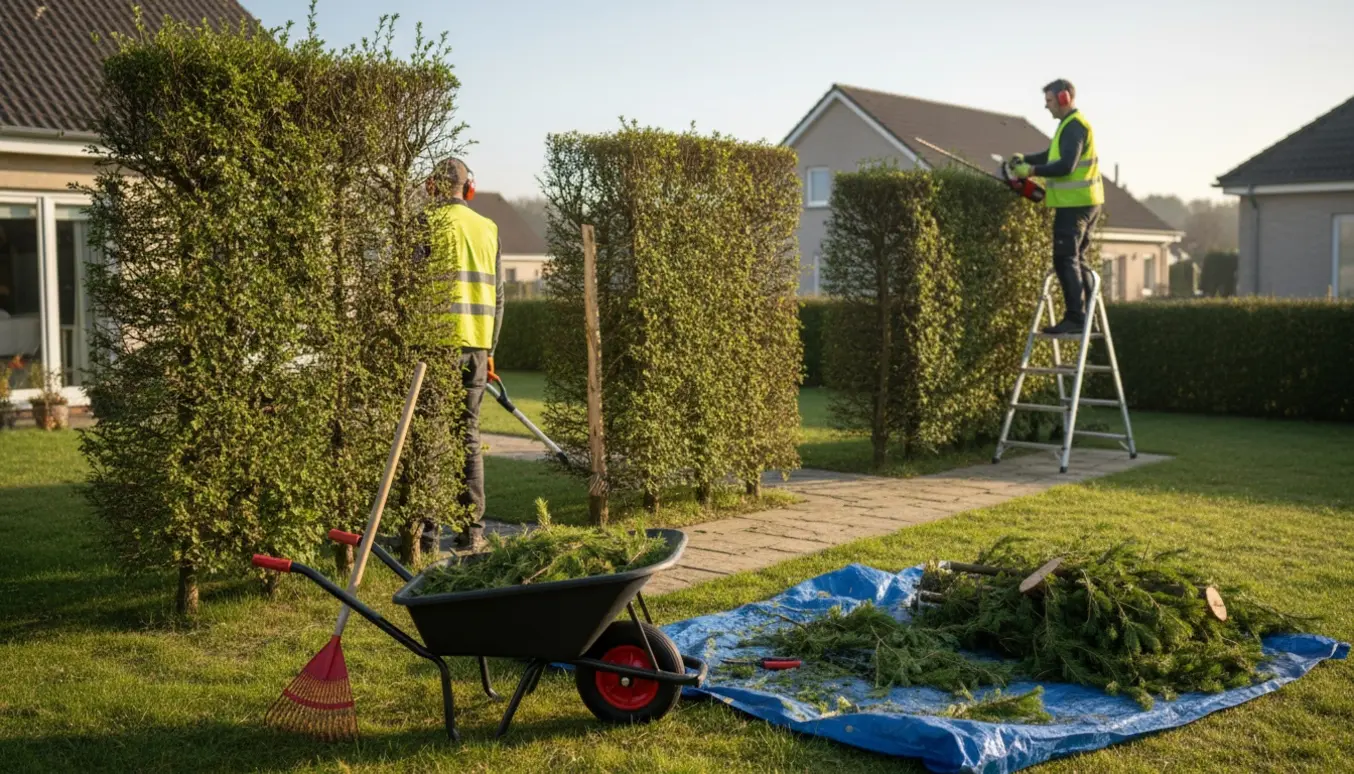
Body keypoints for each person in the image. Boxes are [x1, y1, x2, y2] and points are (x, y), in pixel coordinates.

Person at [416, 157, 504, 554]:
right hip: (476, 350)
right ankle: (472, 532)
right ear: (470, 188)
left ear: (433, 188)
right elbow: (499, 299)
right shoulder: (489, 229)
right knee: (468, 438)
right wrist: (489, 351)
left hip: (435, 348)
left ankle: (428, 537)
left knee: (431, 439)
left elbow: (409, 288)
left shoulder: (425, 224)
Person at [1009, 78, 1105, 335]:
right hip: (1086, 203)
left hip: (1075, 206)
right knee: (1078, 259)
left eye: (1049, 101)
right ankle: (1087, 319)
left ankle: (1075, 317)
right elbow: (1053, 155)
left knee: (1064, 259)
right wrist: (1026, 158)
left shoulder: (1073, 127)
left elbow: (1066, 166)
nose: (1046, 106)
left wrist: (1031, 170)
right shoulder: (1069, 126)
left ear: (1064, 98)